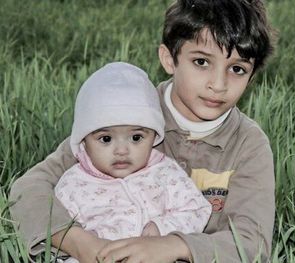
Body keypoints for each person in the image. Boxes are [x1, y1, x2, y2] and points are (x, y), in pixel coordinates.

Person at [9, 0, 277, 262]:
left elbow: (252, 241)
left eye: (237, 69)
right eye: (202, 62)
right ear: (169, 59)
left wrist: (174, 247)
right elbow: (29, 188)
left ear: (252, 76)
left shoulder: (248, 144)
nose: (218, 85)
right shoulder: (130, 111)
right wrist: (81, 243)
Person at [52, 62, 212, 263]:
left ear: (154, 137)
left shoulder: (165, 173)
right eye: (106, 139)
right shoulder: (74, 184)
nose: (121, 151)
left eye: (136, 138)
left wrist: (162, 227)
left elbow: (197, 209)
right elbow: (56, 228)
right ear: (84, 141)